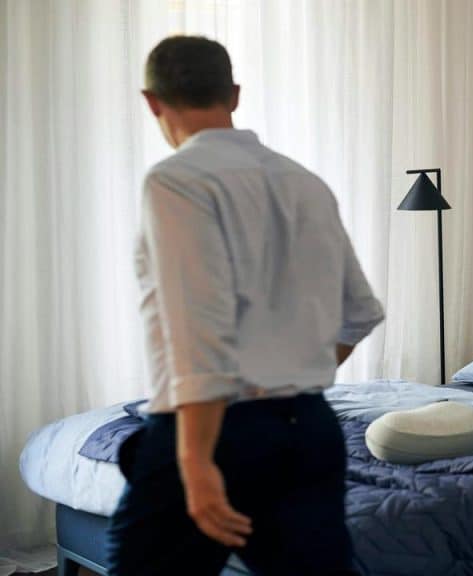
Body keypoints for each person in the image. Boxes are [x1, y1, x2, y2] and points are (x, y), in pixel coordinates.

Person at [106, 35, 383, 575]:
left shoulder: (176, 180)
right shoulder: (305, 182)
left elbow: (198, 326)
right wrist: (287, 374)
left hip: (218, 436)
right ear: (234, 95)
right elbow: (361, 311)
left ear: (152, 101)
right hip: (308, 431)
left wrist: (195, 460)